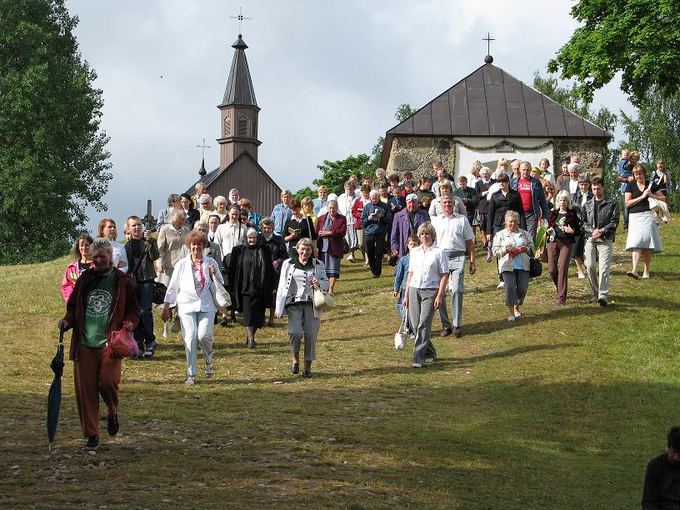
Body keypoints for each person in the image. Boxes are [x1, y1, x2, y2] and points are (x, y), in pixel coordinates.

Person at [60, 238, 139, 449]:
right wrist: (67, 321)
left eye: (102, 256)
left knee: (108, 382)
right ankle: (92, 434)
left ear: (110, 257)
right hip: (84, 343)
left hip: (110, 343)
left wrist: (130, 322)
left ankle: (112, 410)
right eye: (95, 257)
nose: (98, 260)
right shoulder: (85, 278)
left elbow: (133, 309)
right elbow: (73, 306)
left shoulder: (122, 280)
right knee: (86, 390)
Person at [162, 231, 222, 384]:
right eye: (194, 246)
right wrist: (167, 306)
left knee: (203, 336)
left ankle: (209, 359)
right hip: (186, 304)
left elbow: (220, 283)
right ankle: (191, 374)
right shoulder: (182, 264)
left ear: (204, 247)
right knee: (189, 338)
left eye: (200, 246)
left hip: (206, 304)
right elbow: (173, 286)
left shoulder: (210, 262)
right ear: (189, 247)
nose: (196, 249)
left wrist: (214, 274)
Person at [275, 238, 329, 378]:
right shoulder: (288, 263)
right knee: (295, 332)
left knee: (310, 336)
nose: (305, 252)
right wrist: (278, 308)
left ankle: (307, 368)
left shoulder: (318, 264)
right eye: (302, 249)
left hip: (312, 304)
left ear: (312, 251)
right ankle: (295, 360)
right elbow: (282, 285)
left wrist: (319, 283)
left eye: (308, 249)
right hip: (294, 303)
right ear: (297, 249)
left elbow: (326, 283)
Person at [403, 222, 449, 368]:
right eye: (422, 234)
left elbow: (444, 275)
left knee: (424, 323)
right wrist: (406, 294)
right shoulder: (414, 252)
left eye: (427, 234)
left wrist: (439, 295)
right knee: (415, 324)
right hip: (414, 288)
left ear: (432, 235)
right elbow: (410, 273)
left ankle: (418, 357)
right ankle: (430, 352)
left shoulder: (439, 252)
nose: (424, 237)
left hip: (430, 290)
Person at [431, 194, 476, 337]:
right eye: (444, 202)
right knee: (441, 293)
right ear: (441, 204)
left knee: (456, 290)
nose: (447, 204)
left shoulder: (462, 220)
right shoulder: (436, 221)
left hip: (458, 257)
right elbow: (431, 243)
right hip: (441, 258)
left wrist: (472, 261)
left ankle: (457, 324)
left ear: (454, 203)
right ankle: (446, 325)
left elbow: (470, 242)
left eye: (449, 202)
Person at [227, 228, 274, 349]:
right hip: (245, 288)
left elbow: (270, 269)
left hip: (261, 288)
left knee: (258, 317)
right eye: (249, 238)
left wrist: (273, 285)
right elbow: (232, 269)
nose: (252, 240)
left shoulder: (264, 250)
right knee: (248, 315)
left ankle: (250, 336)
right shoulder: (238, 250)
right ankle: (251, 340)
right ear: (245, 239)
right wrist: (231, 286)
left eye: (254, 237)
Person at [580, 177, 619, 306]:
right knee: (590, 265)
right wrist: (592, 231)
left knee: (603, 268)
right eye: (594, 189)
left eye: (598, 189)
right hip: (591, 238)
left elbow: (614, 222)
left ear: (603, 188)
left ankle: (603, 295)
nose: (596, 191)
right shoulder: (587, 204)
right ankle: (595, 292)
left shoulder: (612, 203)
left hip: (605, 238)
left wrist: (601, 231)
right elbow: (583, 222)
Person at [124, 216, 159, 357]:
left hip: (146, 281)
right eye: (133, 226)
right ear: (129, 229)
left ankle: (150, 341)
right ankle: (138, 344)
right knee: (135, 313)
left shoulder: (149, 241)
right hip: (132, 283)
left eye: (139, 225)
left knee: (145, 311)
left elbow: (155, 256)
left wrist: (149, 240)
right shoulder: (126, 246)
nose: (137, 228)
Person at [625, 163, 667, 279]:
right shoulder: (631, 185)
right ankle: (634, 270)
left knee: (647, 244)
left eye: (640, 174)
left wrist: (652, 195)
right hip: (634, 216)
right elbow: (627, 203)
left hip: (649, 215)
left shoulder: (651, 184)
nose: (638, 176)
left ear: (644, 173)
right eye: (636, 174)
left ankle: (646, 271)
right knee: (636, 242)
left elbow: (663, 198)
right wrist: (642, 197)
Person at [492, 210, 534, 321]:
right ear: (505, 222)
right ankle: (511, 313)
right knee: (510, 288)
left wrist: (526, 249)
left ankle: (517, 306)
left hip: (523, 265)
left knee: (522, 289)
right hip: (507, 266)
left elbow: (533, 249)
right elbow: (495, 251)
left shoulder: (525, 234)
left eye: (515, 221)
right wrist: (506, 249)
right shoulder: (500, 235)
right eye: (510, 221)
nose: (513, 224)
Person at [486, 173, 526, 287]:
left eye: (503, 181)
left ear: (508, 182)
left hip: (512, 224)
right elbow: (490, 214)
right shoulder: (494, 196)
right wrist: (488, 231)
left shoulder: (515, 195)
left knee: (514, 248)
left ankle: (514, 272)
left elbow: (521, 212)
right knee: (501, 249)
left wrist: (523, 228)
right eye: (499, 182)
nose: (501, 184)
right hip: (498, 225)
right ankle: (502, 277)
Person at [157, 209, 189, 337]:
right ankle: (165, 325)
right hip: (168, 267)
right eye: (181, 219)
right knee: (167, 297)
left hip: (182, 267)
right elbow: (160, 249)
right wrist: (160, 262)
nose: (183, 222)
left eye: (184, 219)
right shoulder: (165, 230)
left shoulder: (186, 231)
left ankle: (178, 319)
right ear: (175, 219)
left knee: (181, 295)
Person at [546, 191, 580, 305]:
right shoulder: (553, 213)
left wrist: (572, 231)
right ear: (557, 201)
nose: (562, 202)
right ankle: (559, 289)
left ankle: (561, 297)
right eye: (561, 200)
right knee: (551, 269)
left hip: (566, 243)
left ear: (568, 201)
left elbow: (578, 231)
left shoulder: (572, 214)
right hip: (553, 242)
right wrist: (548, 230)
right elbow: (548, 227)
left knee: (563, 268)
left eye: (565, 200)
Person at [641, 426, 680, 509]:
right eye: (674, 452)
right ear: (668, 448)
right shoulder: (655, 466)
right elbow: (649, 502)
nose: (676, 457)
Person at [510, 161, 550, 240]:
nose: (525, 172)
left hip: (531, 214)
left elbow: (542, 200)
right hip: (517, 214)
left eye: (528, 170)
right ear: (520, 170)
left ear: (530, 170)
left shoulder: (536, 182)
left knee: (530, 238)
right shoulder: (513, 182)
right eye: (524, 170)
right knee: (517, 237)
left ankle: (530, 252)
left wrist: (545, 216)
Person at [259, 217, 288, 325]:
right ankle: (261, 317)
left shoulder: (278, 240)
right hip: (260, 271)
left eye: (269, 228)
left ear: (273, 228)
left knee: (273, 294)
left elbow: (285, 255)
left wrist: (278, 261)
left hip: (274, 272)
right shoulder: (258, 239)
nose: (266, 230)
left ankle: (271, 318)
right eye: (264, 228)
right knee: (261, 294)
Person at [316, 199, 347, 295]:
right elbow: (317, 231)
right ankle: (322, 289)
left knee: (333, 269)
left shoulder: (342, 219)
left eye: (333, 208)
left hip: (335, 247)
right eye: (330, 208)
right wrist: (320, 234)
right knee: (322, 269)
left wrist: (329, 232)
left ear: (337, 208)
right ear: (327, 208)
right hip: (323, 247)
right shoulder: (321, 218)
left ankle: (330, 289)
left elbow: (342, 232)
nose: (332, 210)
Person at [361, 189, 392, 277]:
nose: (374, 200)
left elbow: (389, 220)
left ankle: (377, 272)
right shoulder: (367, 207)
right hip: (369, 232)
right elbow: (362, 221)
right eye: (372, 198)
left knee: (379, 252)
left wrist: (381, 218)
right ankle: (373, 268)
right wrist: (369, 219)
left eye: (375, 198)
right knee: (369, 251)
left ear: (379, 197)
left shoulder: (385, 206)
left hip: (380, 231)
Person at [390, 193, 430, 261]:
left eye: (414, 202)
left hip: (420, 247)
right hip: (404, 249)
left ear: (417, 203)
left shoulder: (424, 214)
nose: (411, 205)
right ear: (406, 203)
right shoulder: (398, 215)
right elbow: (394, 235)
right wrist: (395, 249)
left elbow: (429, 232)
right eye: (409, 203)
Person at [393, 235, 419, 337]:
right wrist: (396, 288)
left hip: (416, 286)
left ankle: (412, 329)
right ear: (407, 245)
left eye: (415, 244)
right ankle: (407, 324)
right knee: (403, 307)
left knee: (413, 309)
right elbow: (399, 275)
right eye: (411, 244)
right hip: (405, 287)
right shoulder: (404, 260)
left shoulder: (421, 258)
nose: (413, 246)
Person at [61, 235, 94, 303]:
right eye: (81, 245)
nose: (84, 247)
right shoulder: (71, 267)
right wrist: (70, 300)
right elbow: (66, 286)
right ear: (78, 247)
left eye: (87, 245)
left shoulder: (97, 266)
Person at [338, 180, 360, 262]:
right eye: (347, 189)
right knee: (347, 238)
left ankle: (352, 253)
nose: (349, 191)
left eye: (350, 189)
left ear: (354, 189)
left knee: (354, 238)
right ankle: (349, 253)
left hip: (354, 221)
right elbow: (339, 210)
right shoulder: (340, 198)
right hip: (345, 220)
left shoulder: (358, 198)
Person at [475, 166, 495, 249]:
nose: (485, 175)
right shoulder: (478, 183)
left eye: (486, 173)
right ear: (481, 175)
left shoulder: (494, 182)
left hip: (493, 205)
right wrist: (484, 193)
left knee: (492, 224)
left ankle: (493, 241)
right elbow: (476, 195)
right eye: (483, 174)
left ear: (489, 173)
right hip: (483, 207)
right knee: (483, 225)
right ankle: (485, 242)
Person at [615, 149, 636, 230]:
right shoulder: (624, 162)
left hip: (632, 187)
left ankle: (630, 223)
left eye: (627, 155)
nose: (626, 157)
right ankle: (626, 224)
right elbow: (618, 178)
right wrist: (627, 179)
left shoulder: (635, 166)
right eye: (632, 159)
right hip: (625, 187)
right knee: (626, 207)